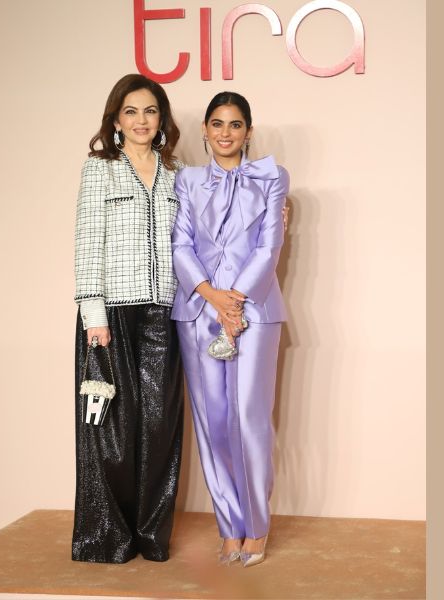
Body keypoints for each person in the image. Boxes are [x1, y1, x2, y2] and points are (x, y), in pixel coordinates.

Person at [171, 91, 289, 567]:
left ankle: (256, 527)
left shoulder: (272, 177)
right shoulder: (187, 180)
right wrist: (211, 296)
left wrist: (234, 300)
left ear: (248, 131)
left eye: (235, 124)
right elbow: (180, 243)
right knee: (213, 423)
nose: (225, 133)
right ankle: (230, 527)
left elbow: (270, 245)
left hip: (254, 313)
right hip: (199, 311)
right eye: (217, 124)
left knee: (248, 418)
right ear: (204, 129)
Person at [72, 73, 185, 564]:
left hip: (166, 311)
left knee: (160, 428)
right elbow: (86, 242)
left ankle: (150, 534)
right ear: (116, 120)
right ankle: (108, 537)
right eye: (131, 112)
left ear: (162, 119)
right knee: (112, 429)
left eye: (150, 111)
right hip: (112, 315)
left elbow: (200, 238)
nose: (142, 120)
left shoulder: (177, 172)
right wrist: (92, 315)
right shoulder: (101, 168)